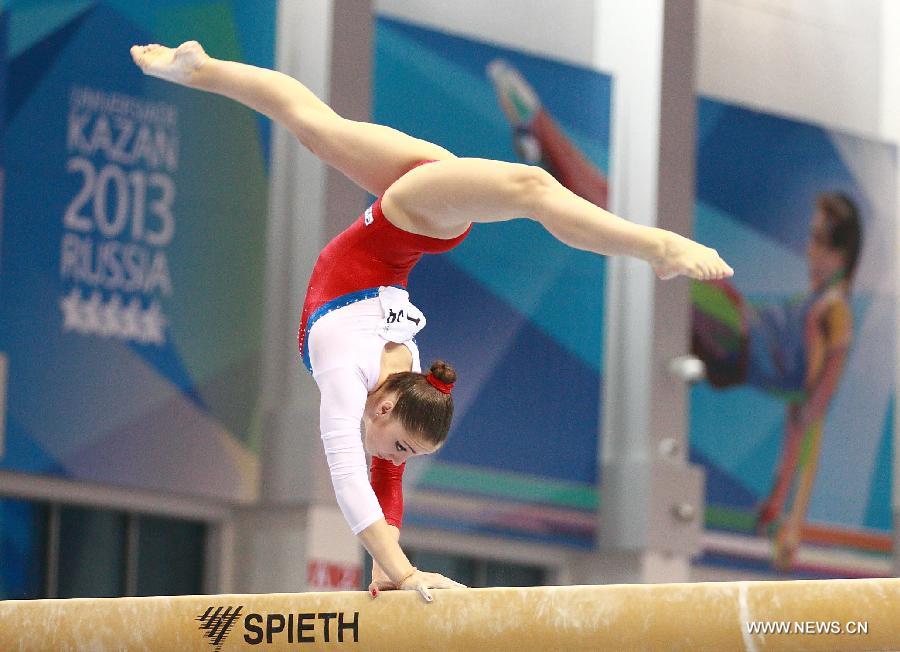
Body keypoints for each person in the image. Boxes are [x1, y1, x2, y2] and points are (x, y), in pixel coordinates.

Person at [130, 40, 733, 601]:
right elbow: (380, 488)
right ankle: (200, 68)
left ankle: (656, 248)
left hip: (404, 220)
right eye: (405, 450)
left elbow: (354, 487)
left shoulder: (346, 379)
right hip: (412, 222)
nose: (396, 459)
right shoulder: (394, 396)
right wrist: (397, 571)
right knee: (504, 179)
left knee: (342, 135)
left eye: (402, 450)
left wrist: (396, 572)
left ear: (385, 407)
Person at [691, 193, 861, 568]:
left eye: (817, 239)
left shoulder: (834, 314)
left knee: (653, 259)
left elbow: (808, 422)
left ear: (840, 254)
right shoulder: (814, 302)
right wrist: (779, 505)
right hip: (736, 331)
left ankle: (545, 137)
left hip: (737, 337)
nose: (808, 250)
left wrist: (792, 520)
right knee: (649, 256)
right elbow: (798, 419)